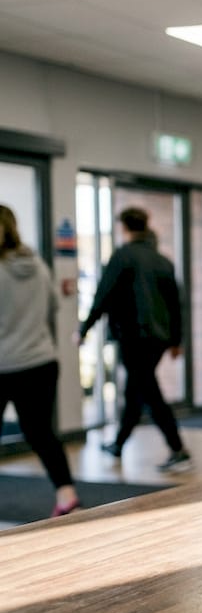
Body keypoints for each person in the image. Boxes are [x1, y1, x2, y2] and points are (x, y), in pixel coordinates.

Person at [77, 207, 192, 473]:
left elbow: (102, 297)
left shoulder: (122, 257)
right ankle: (119, 444)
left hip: (134, 337)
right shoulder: (163, 261)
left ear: (123, 228)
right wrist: (177, 340)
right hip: (158, 338)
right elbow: (177, 305)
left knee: (149, 391)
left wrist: (84, 328)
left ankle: (178, 449)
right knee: (136, 390)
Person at [0, 205, 80, 515]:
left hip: (4, 363)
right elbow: (52, 308)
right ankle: (66, 495)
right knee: (41, 432)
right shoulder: (37, 265)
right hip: (41, 361)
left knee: (38, 431)